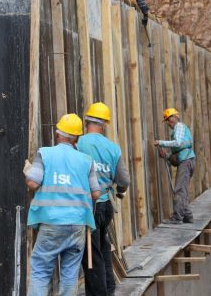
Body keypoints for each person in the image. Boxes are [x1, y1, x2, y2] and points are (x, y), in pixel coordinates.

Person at [23, 113, 102, 296]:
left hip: (52, 222)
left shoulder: (45, 153)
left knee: (41, 272)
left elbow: (33, 183)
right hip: (78, 225)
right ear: (77, 137)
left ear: (58, 134)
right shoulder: (86, 160)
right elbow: (96, 193)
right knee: (70, 274)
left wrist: (28, 172)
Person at [76, 103, 131, 296]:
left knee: (91, 253)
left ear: (86, 121)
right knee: (103, 245)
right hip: (105, 205)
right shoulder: (112, 148)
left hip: (88, 206)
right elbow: (124, 180)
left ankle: (99, 293)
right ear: (104, 124)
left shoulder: (78, 143)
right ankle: (109, 287)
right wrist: (120, 190)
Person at [154, 108, 196, 224]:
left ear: (175, 117)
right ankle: (188, 216)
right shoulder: (178, 130)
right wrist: (166, 156)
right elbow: (178, 150)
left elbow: (177, 143)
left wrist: (161, 142)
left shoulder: (179, 127)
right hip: (187, 161)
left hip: (186, 162)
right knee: (182, 190)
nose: (168, 123)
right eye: (166, 120)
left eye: (168, 119)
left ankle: (177, 217)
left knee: (179, 190)